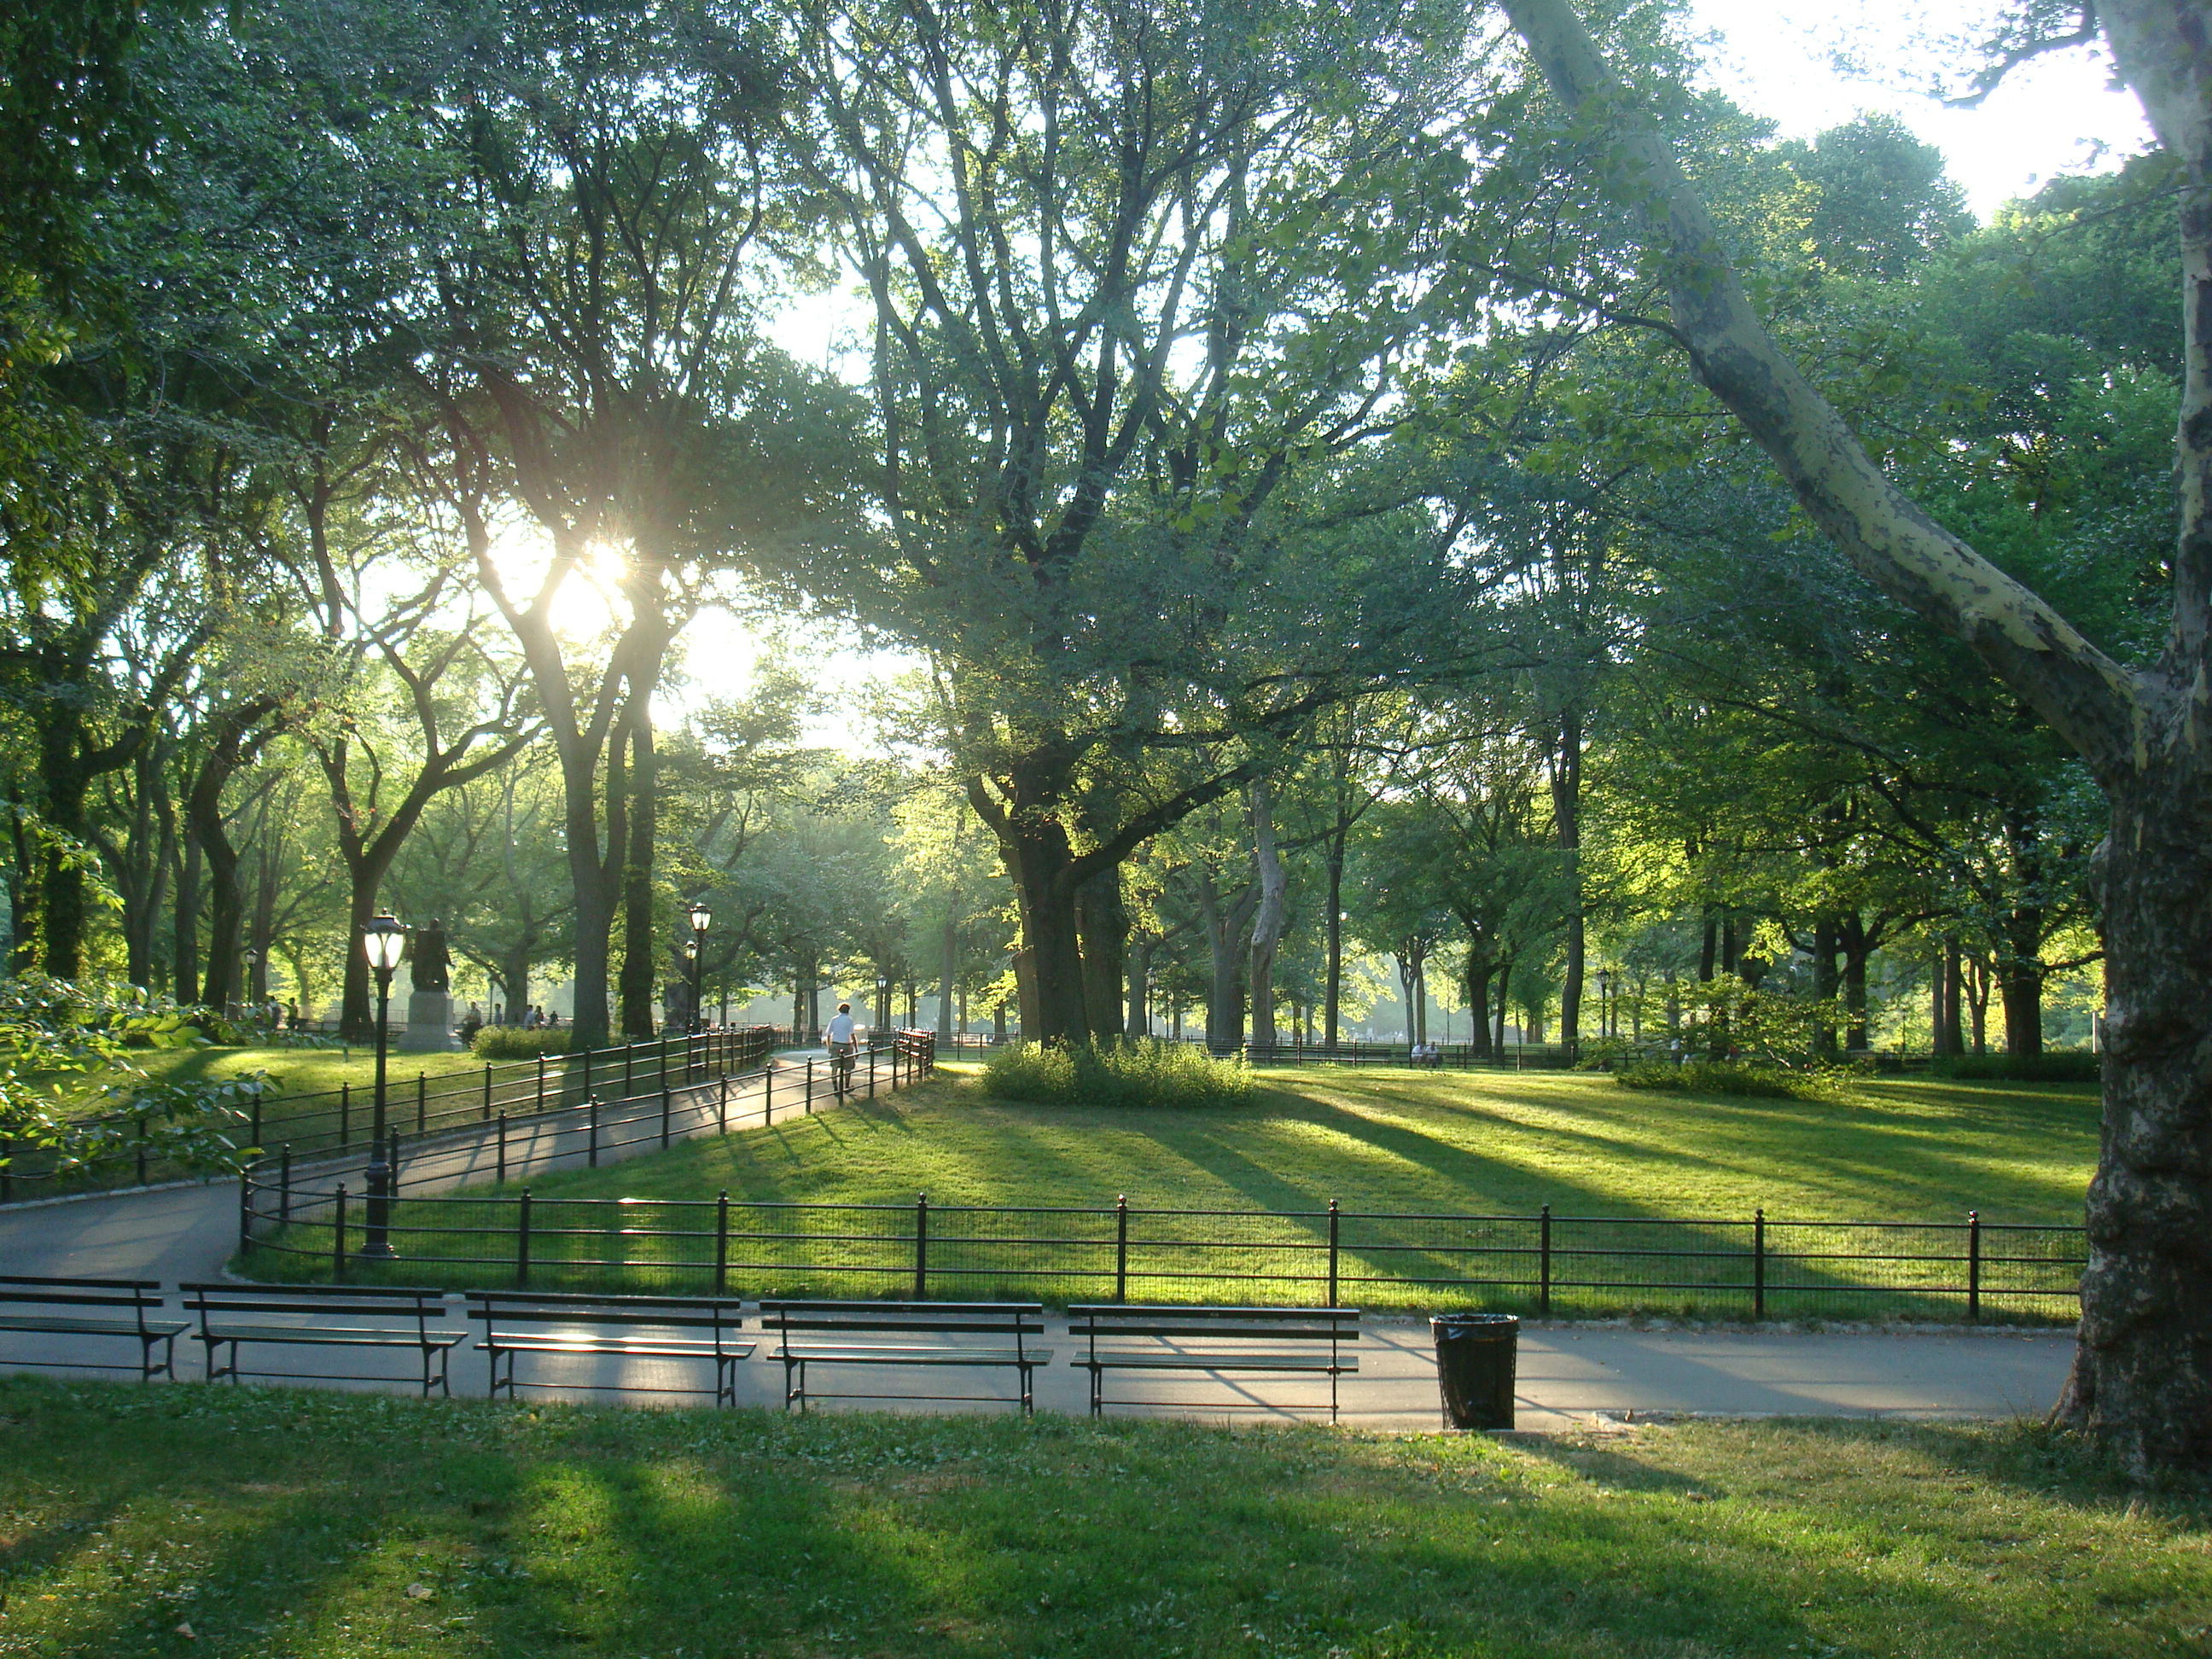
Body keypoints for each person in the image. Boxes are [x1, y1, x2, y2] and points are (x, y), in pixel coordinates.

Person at [824, 1000, 859, 1097]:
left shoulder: (834, 1019)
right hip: (846, 1045)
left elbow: (828, 1034)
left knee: (834, 1067)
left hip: (835, 1044)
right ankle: (846, 1087)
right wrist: (856, 1048)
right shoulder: (849, 1020)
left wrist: (829, 1046)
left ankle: (835, 1088)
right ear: (848, 1010)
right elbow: (852, 1035)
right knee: (848, 1067)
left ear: (839, 1010)